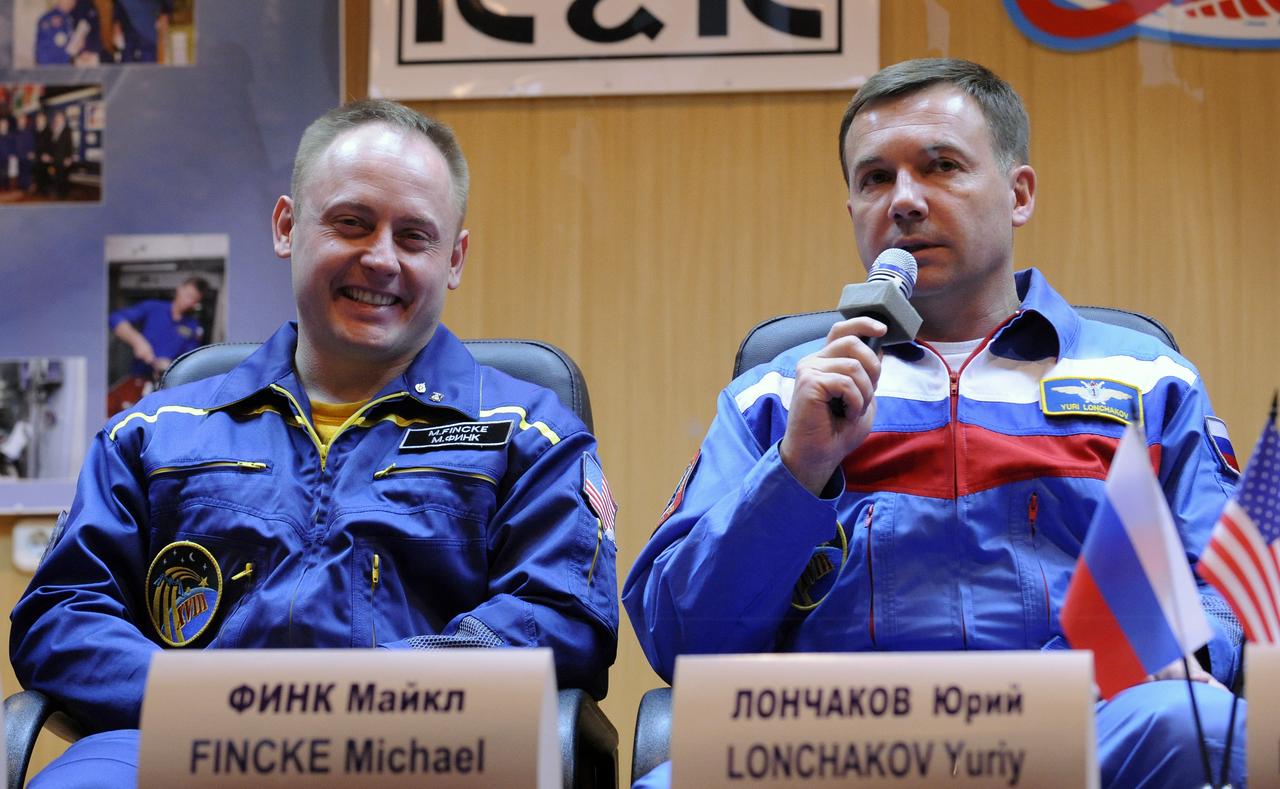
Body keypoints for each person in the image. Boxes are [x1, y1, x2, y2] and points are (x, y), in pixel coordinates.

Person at [624, 58, 1245, 788]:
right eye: (875, 178)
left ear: (1019, 194)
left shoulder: (1148, 381)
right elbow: (685, 641)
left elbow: (1227, 586)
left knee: (1198, 727)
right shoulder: (778, 394)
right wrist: (796, 472)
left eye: (941, 166)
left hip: (1078, 728)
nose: (904, 201)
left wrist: (1161, 645)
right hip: (841, 743)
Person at [11, 99, 619, 786]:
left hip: (423, 746)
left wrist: (366, 697)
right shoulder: (152, 432)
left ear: (454, 258)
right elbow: (62, 615)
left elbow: (561, 617)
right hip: (179, 741)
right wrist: (211, 700)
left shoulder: (532, 436)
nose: (381, 258)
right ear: (286, 226)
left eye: (414, 236)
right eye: (352, 223)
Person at [106, 276, 207, 414]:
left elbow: (192, 364)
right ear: (179, 290)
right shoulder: (153, 308)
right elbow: (115, 319)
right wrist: (137, 341)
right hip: (137, 380)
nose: (188, 302)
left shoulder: (193, 327)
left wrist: (170, 365)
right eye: (188, 295)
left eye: (194, 300)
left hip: (167, 389)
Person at [35, 0, 103, 66]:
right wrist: (70, 52)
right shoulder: (50, 19)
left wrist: (80, 49)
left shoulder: (69, 18)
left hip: (65, 66)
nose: (71, 3)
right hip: (52, 68)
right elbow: (46, 52)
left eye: (73, 1)